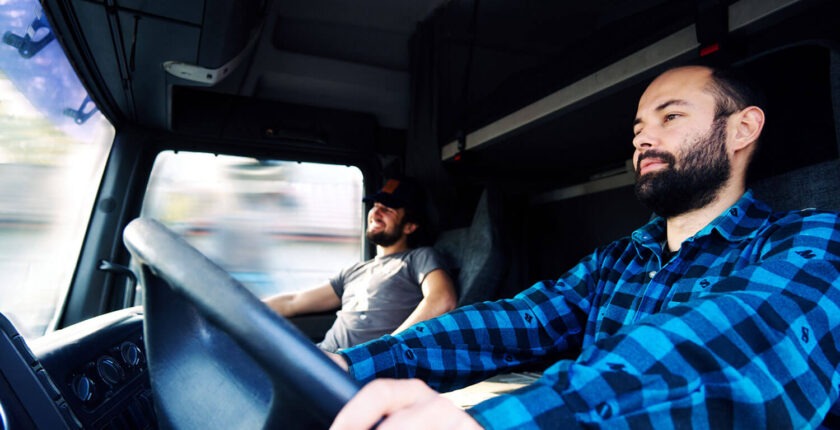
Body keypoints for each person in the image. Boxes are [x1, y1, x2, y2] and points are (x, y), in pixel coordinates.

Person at [329, 65, 840, 429]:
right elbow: (515, 322)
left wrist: (494, 423)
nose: (642, 139)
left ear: (743, 128)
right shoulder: (617, 261)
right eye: (638, 128)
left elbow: (734, 347)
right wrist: (357, 364)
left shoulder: (811, 241)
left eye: (671, 117)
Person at [265, 177, 457, 352]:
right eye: (376, 206)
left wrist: (386, 348)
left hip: (359, 367)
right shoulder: (354, 271)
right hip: (322, 356)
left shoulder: (418, 258)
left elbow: (443, 299)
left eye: (388, 210)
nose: (376, 213)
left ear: (410, 226)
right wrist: (242, 308)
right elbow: (293, 302)